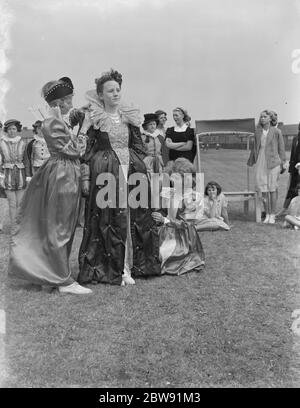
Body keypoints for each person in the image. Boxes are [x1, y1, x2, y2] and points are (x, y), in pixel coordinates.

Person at [8, 76, 92, 295]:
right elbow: (73, 150)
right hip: (63, 173)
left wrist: (75, 121)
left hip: (65, 170)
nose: (72, 101)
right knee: (61, 225)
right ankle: (62, 280)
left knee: (62, 224)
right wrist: (83, 131)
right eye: (70, 98)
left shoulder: (57, 120)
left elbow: (66, 131)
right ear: (60, 102)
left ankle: (53, 272)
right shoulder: (51, 122)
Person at [78, 69, 161, 286]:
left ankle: (134, 265)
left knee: (135, 216)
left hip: (131, 169)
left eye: (117, 90)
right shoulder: (95, 117)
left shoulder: (129, 115)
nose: (115, 94)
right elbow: (86, 151)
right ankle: (116, 268)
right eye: (110, 91)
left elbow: (139, 146)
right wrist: (86, 177)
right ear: (100, 94)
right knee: (111, 218)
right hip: (106, 171)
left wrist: (143, 165)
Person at [151, 158, 205, 275]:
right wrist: (159, 214)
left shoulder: (194, 198)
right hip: (165, 231)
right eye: (171, 176)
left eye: (175, 177)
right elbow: (160, 209)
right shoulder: (169, 192)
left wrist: (164, 220)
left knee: (162, 255)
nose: (171, 179)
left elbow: (187, 224)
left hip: (183, 237)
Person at [247, 109, 286, 224]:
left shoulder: (277, 131)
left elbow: (281, 149)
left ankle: (273, 215)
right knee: (263, 189)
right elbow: (255, 148)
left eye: (264, 116)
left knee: (272, 189)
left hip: (273, 162)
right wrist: (251, 160)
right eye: (261, 117)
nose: (262, 118)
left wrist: (283, 163)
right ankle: (267, 214)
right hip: (261, 161)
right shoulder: (257, 131)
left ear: (270, 118)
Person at [0, 119, 28, 228]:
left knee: (20, 203)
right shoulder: (1, 143)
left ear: (17, 130)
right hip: (7, 175)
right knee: (12, 203)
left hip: (21, 174)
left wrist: (28, 175)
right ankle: (14, 226)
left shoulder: (22, 142)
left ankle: (20, 225)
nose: (12, 131)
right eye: (10, 129)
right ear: (6, 130)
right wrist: (1, 175)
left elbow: (26, 160)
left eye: (14, 129)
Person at [276, 122, 300, 217]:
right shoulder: (295, 138)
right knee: (291, 189)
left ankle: (295, 212)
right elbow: (293, 156)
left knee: (296, 190)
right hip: (294, 170)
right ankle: (284, 209)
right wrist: (290, 171)